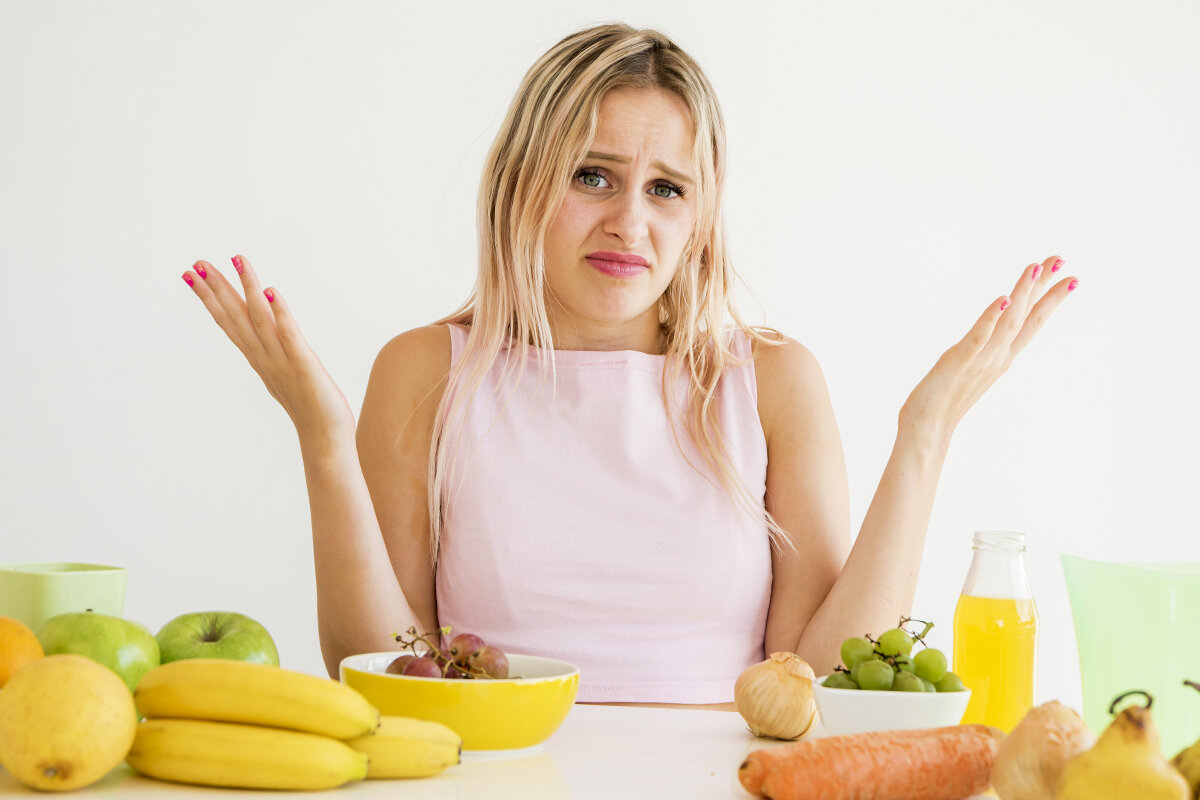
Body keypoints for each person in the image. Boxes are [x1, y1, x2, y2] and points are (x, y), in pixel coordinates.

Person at [180, 23, 1077, 708]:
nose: (630, 225)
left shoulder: (770, 381)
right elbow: (383, 672)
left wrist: (926, 435)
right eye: (592, 176)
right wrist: (322, 439)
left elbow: (821, 680)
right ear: (521, 182)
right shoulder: (426, 370)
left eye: (666, 189)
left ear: (700, 216)